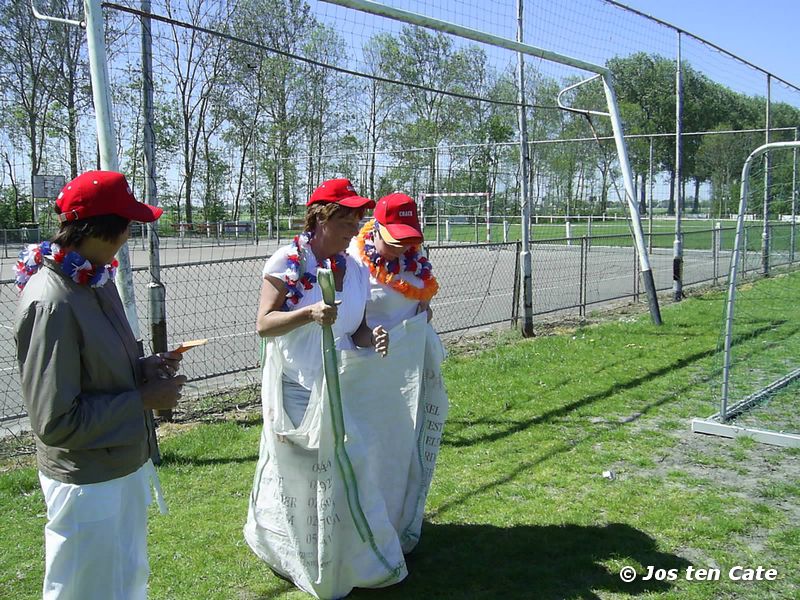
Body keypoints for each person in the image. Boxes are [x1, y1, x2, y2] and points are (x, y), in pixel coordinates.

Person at [13, 170, 187, 600]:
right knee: (83, 588)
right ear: (109, 229)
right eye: (129, 223)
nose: (131, 233)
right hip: (87, 481)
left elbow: (96, 371)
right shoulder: (52, 301)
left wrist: (142, 367)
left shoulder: (95, 279)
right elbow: (55, 423)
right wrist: (143, 399)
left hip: (120, 464)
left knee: (124, 580)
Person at [245, 179, 397, 599]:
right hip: (299, 386)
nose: (355, 226)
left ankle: (344, 548)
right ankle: (301, 550)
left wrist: (373, 335)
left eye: (357, 217)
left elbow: (357, 328)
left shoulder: (355, 269)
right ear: (320, 217)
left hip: (343, 381)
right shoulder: (287, 262)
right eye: (345, 218)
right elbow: (263, 324)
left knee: (351, 462)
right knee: (304, 471)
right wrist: (308, 313)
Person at [347, 192, 447, 554]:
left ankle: (394, 521)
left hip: (408, 369)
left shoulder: (415, 257)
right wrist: (369, 337)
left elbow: (423, 300)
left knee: (401, 445)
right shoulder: (355, 259)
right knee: (369, 449)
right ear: (375, 229)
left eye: (408, 241)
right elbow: (348, 321)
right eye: (394, 242)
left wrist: (422, 314)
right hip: (366, 370)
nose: (400, 249)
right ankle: (362, 530)